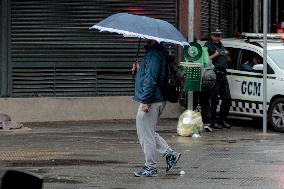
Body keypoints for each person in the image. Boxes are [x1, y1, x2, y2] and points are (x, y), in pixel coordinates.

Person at [132, 39, 181, 177]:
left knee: (145, 134)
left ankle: (151, 167)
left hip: (152, 99)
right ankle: (170, 154)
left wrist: (146, 101)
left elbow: (151, 79)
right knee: (148, 132)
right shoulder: (155, 53)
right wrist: (139, 70)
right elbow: (150, 76)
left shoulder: (155, 54)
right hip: (154, 98)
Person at [204, 29, 231, 129]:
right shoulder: (207, 45)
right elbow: (205, 60)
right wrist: (215, 55)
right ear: (211, 36)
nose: (217, 37)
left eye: (219, 35)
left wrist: (227, 55)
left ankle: (221, 120)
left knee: (227, 98)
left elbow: (227, 58)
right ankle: (212, 122)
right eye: (215, 35)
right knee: (214, 100)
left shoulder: (221, 44)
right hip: (214, 75)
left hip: (223, 75)